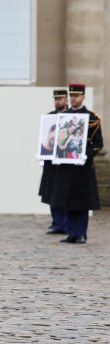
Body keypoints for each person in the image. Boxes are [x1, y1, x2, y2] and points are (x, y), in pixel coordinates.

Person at [50, 84, 103, 243]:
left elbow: (98, 143)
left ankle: (81, 232)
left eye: (77, 96)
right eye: (71, 96)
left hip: (83, 166)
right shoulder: (63, 116)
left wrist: (85, 155)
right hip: (66, 165)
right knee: (67, 199)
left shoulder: (92, 117)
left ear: (83, 97)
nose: (73, 99)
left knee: (81, 200)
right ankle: (71, 232)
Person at [40, 88, 68, 235]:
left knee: (65, 193)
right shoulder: (50, 117)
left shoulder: (72, 117)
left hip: (66, 163)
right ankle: (57, 223)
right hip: (51, 162)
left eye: (61, 99)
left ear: (66, 100)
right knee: (52, 192)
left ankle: (66, 223)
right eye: (56, 99)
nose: (58, 101)